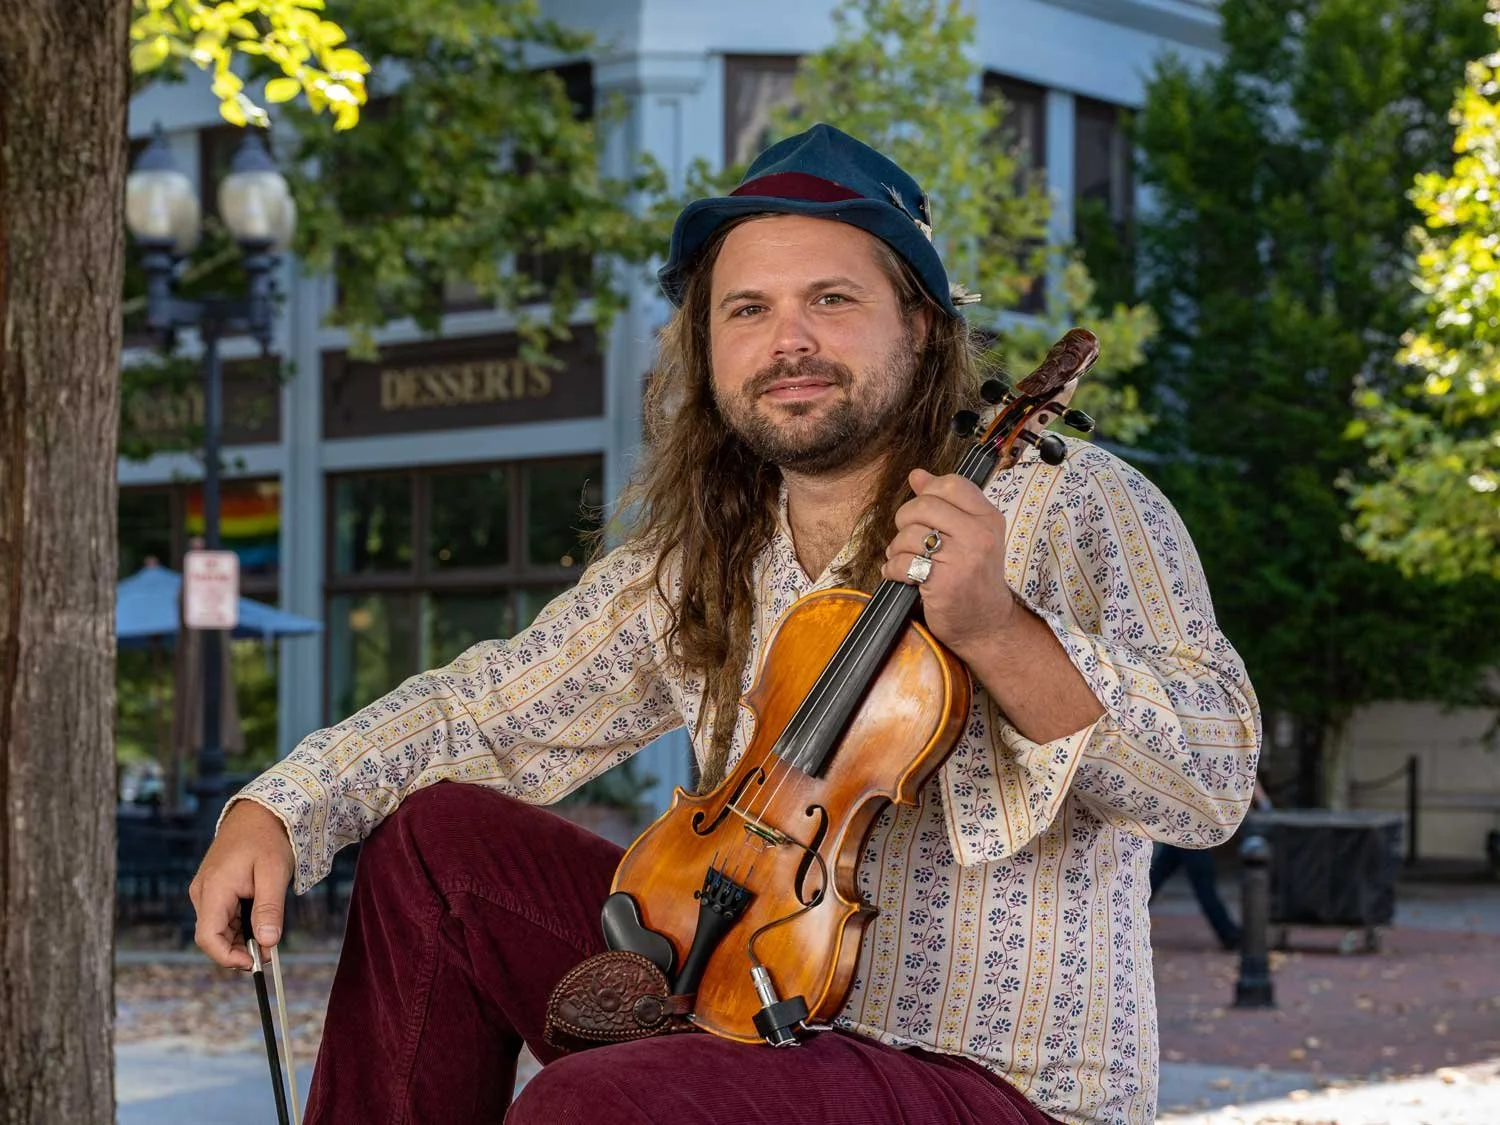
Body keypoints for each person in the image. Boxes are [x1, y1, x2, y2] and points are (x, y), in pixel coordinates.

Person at [191, 123, 1262, 1125]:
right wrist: (281, 808)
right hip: (737, 1004)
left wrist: (998, 630)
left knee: (601, 1106)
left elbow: (1213, 782)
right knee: (439, 848)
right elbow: (488, 710)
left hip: (993, 1082)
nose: (787, 340)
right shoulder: (713, 551)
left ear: (925, 325)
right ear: (707, 350)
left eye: (832, 300)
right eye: (746, 310)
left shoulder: (1070, 506)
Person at [1150, 780, 1273, 951]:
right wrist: (1263, 803)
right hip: (1190, 822)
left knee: (1157, 876)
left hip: (1184, 818)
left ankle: (1127, 914)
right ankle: (1228, 934)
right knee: (1203, 882)